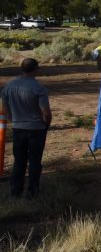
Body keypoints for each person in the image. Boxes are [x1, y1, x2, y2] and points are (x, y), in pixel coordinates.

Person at [0, 58, 52, 198]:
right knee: (35, 161)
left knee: (19, 161)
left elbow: (4, 108)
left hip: (18, 127)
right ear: (36, 69)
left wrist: (14, 120)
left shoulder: (9, 86)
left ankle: (15, 191)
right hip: (36, 129)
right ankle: (32, 191)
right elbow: (46, 113)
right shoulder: (38, 88)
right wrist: (45, 125)